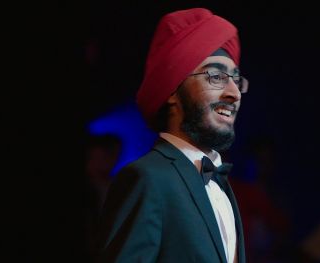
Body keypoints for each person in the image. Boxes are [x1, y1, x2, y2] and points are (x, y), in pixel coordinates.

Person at [94, 8, 248, 263]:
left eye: (236, 79)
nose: (235, 93)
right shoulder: (147, 178)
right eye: (217, 76)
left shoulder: (221, 185)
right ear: (172, 89)